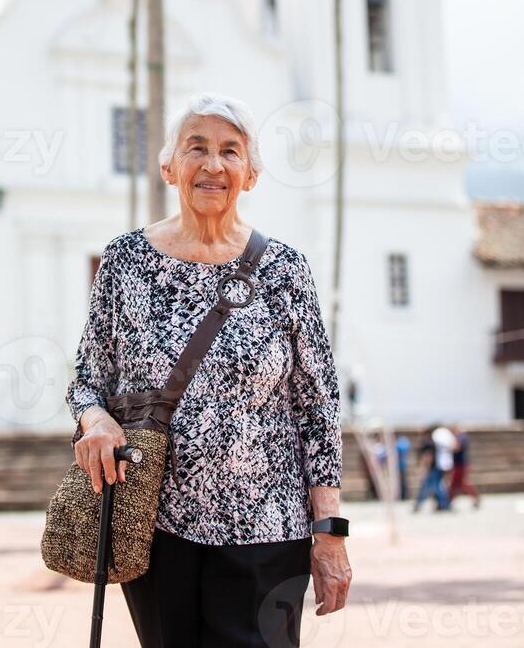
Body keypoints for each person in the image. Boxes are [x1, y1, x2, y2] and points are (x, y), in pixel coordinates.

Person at [65, 92, 352, 647]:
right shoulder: (126, 260)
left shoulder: (286, 270)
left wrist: (330, 535)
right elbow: (87, 378)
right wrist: (94, 419)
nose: (213, 165)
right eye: (197, 148)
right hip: (155, 525)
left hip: (270, 530)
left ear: (251, 175)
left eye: (231, 152)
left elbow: (318, 407)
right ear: (170, 166)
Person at [412, 425, 451, 512]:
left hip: (433, 468)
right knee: (436, 486)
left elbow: (429, 456)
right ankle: (443, 504)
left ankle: (444, 504)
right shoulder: (432, 442)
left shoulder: (428, 443)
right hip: (437, 467)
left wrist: (426, 469)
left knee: (433, 487)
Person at [449, 424, 481, 509]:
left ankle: (475, 497)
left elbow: (457, 448)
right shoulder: (461, 437)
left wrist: (449, 446)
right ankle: (449, 500)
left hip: (460, 464)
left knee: (461, 483)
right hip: (459, 464)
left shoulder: (461, 437)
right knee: (456, 483)